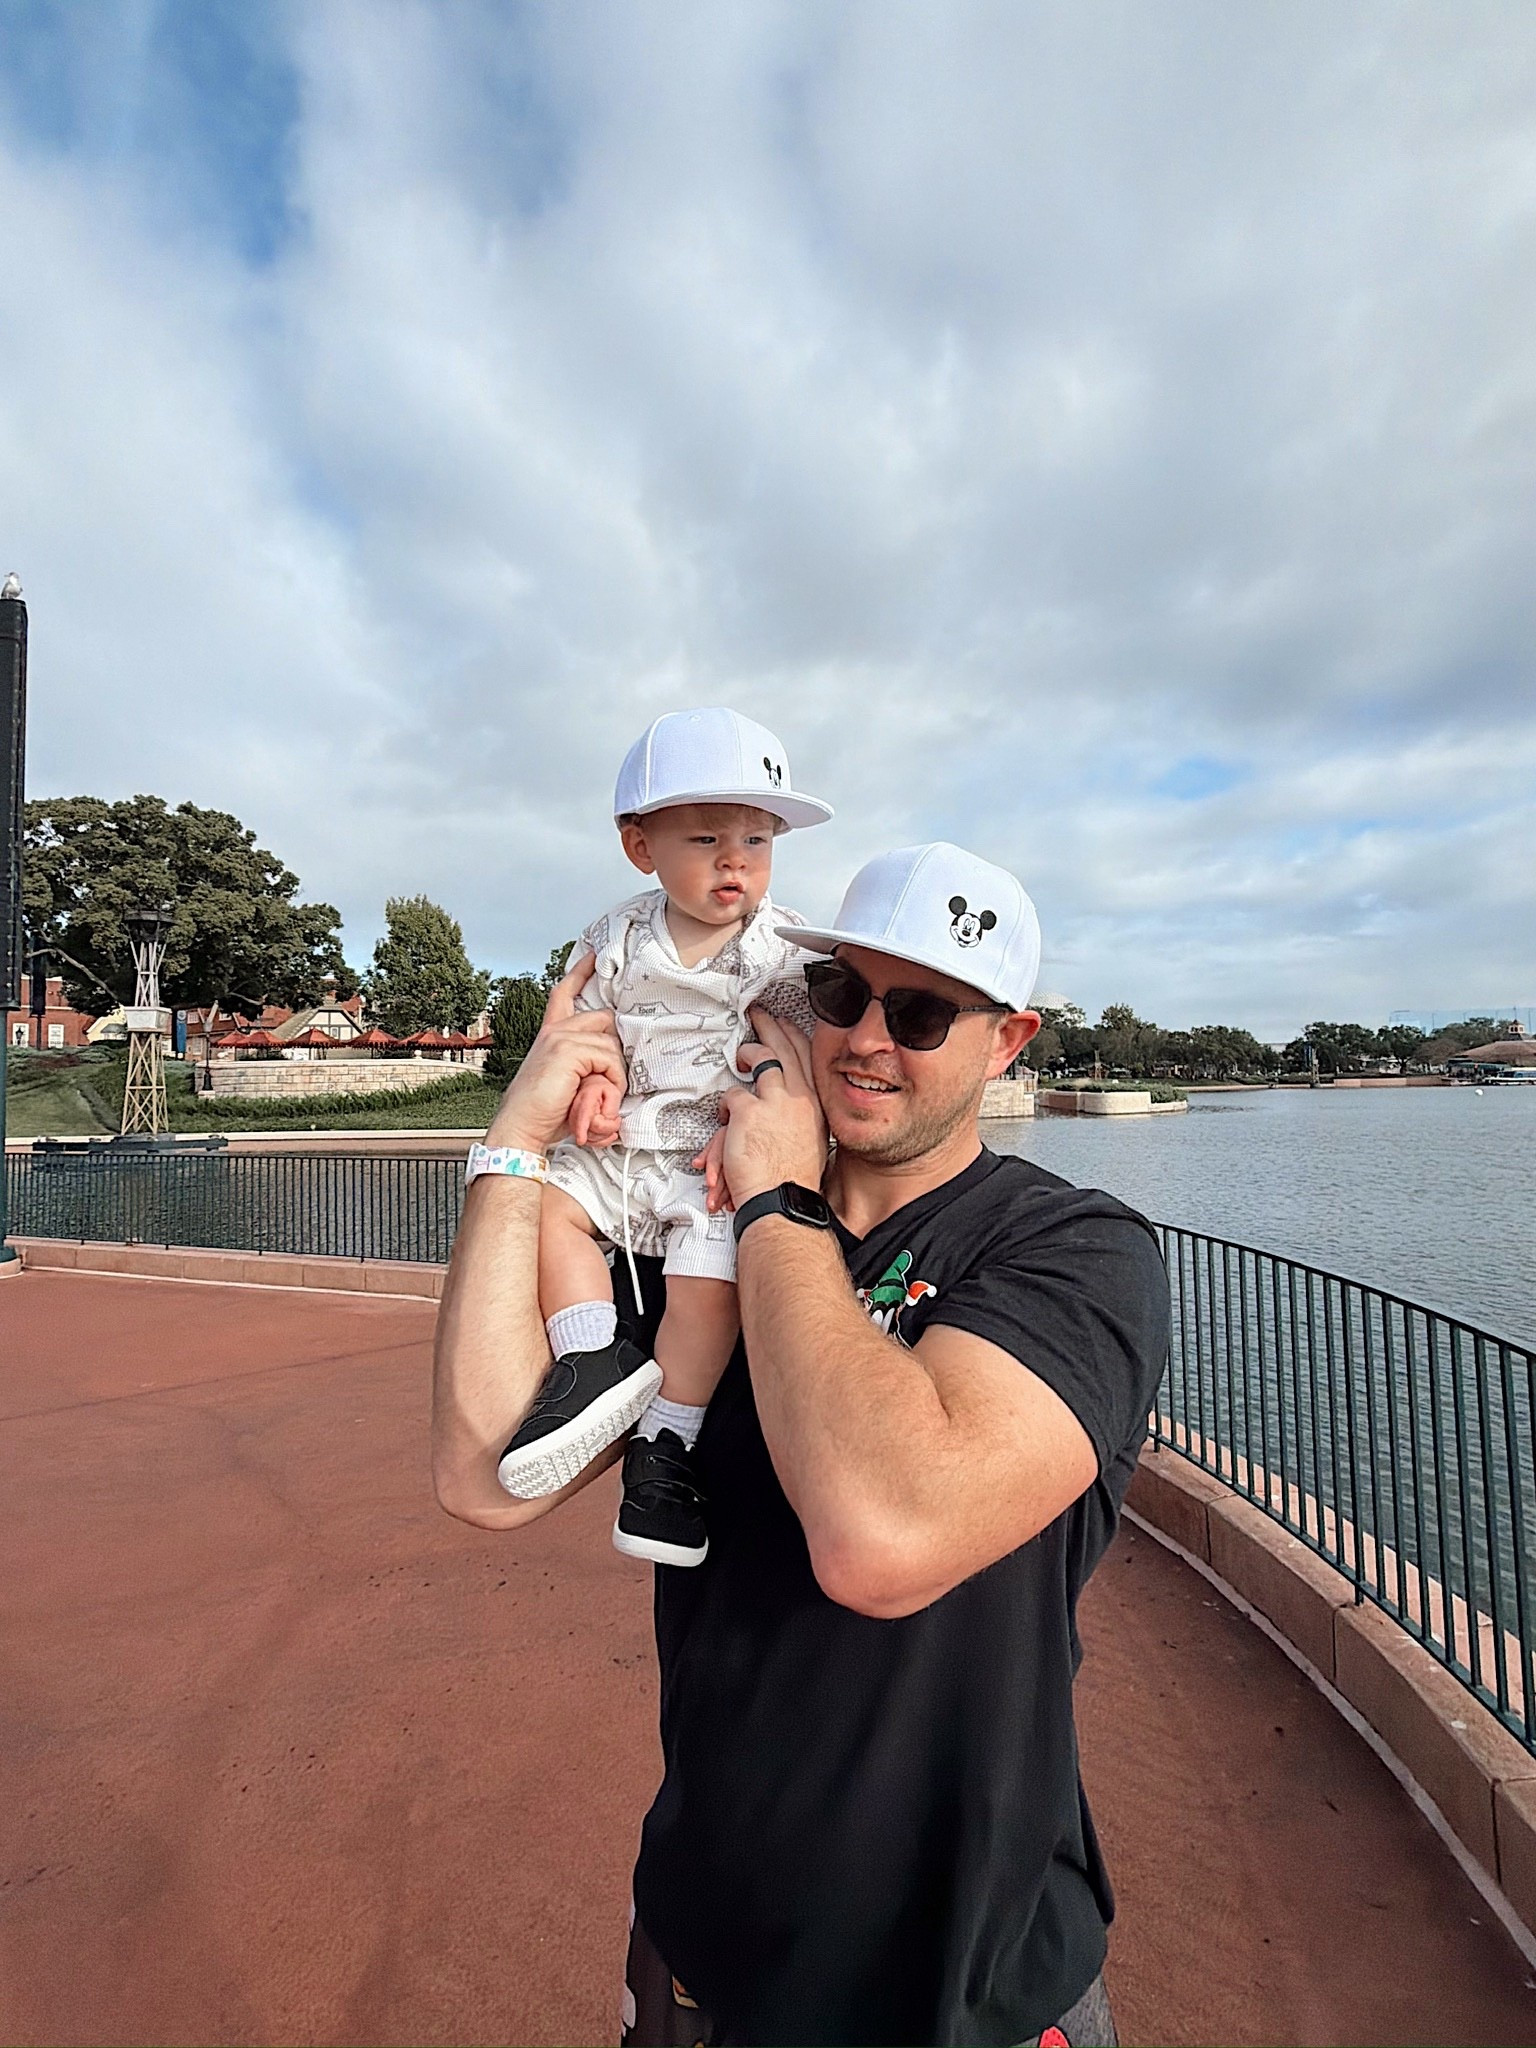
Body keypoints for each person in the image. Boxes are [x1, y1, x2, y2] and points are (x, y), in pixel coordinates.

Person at [433, 840, 1171, 2048]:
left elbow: (883, 1536)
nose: (868, 1037)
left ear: (1009, 1040)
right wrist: (516, 1147)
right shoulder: (691, 1242)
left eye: (923, 1011)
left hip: (964, 1977)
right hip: (706, 1940)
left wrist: (780, 1203)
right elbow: (479, 1475)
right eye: (841, 994)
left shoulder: (1072, 1249)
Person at [489, 706, 831, 1567]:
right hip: (617, 1146)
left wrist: (751, 1121)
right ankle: (590, 1356)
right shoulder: (616, 937)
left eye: (756, 842)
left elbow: (789, 1056)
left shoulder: (776, 947)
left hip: (702, 1155)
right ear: (642, 848)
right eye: (707, 838)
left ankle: (664, 1447)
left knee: (705, 1279)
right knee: (551, 1206)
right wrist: (595, 1088)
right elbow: (592, 1034)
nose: (734, 862)